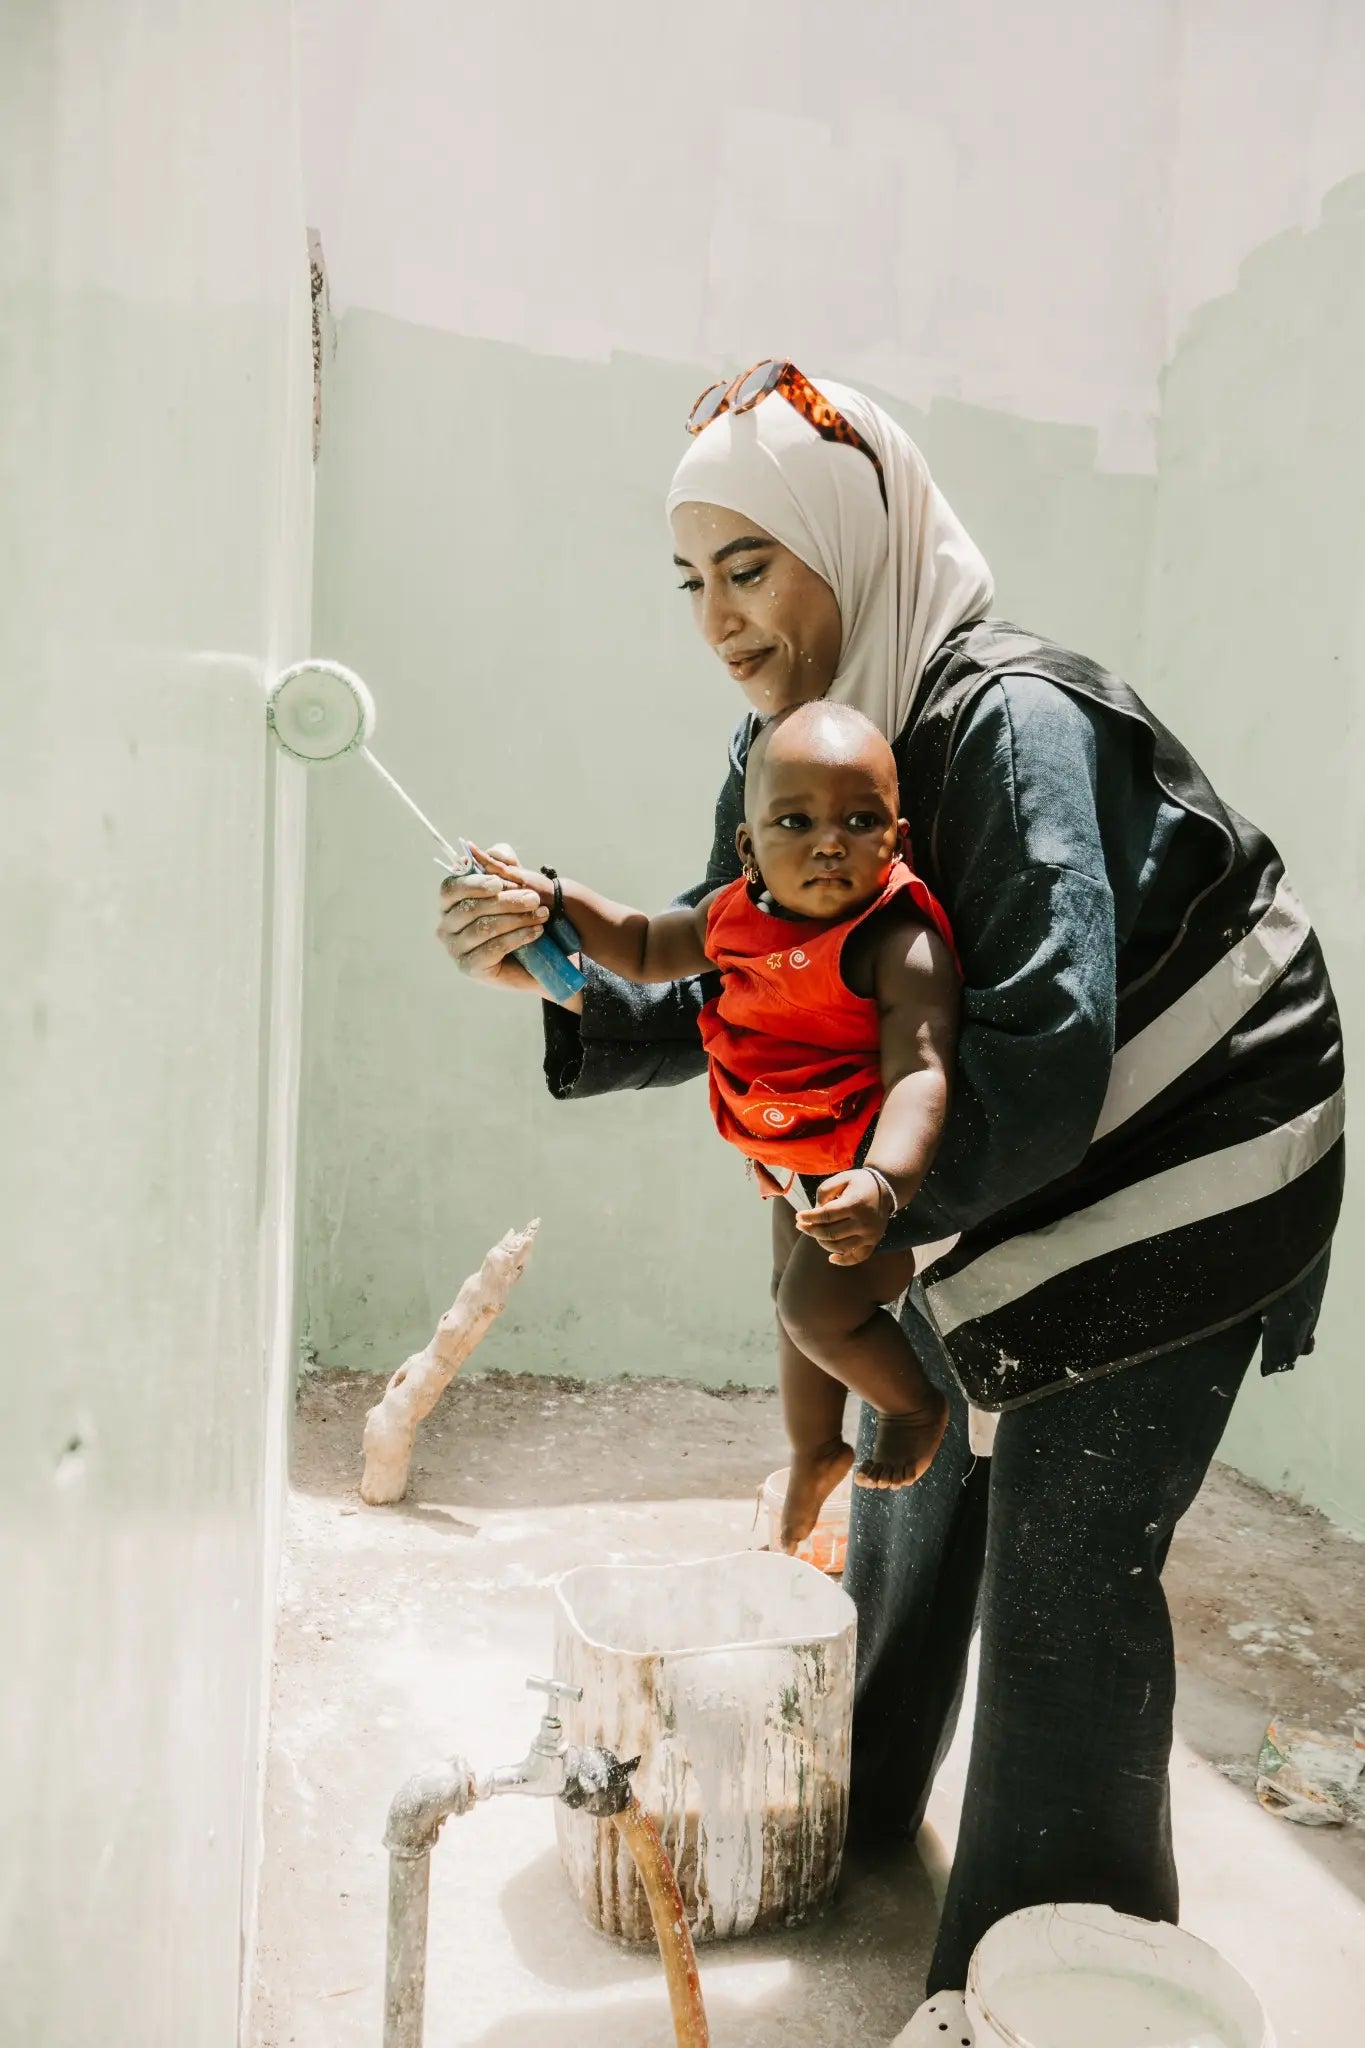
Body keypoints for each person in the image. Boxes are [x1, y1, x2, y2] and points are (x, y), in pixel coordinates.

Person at [435, 360, 1344, 2027]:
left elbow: (1051, 1050)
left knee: (1067, 1550)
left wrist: (881, 1209)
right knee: (911, 1441)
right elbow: (742, 986)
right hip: (994, 1125)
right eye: (694, 578)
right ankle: (839, 1804)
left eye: (753, 565)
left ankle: (1038, 1973)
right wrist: (558, 970)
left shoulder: (1013, 718)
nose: (719, 613)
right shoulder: (790, 749)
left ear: (857, 540)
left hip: (1209, 1134)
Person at [472, 699, 962, 1551]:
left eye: (858, 820)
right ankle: (815, 1447)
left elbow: (922, 1070)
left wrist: (883, 1185)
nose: (828, 842)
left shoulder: (895, 936)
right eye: (794, 820)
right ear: (746, 849)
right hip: (792, 1158)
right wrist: (553, 897)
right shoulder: (734, 915)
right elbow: (641, 946)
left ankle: (914, 1407)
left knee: (819, 1308)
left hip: (860, 1170)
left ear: (898, 839)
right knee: (789, 1309)